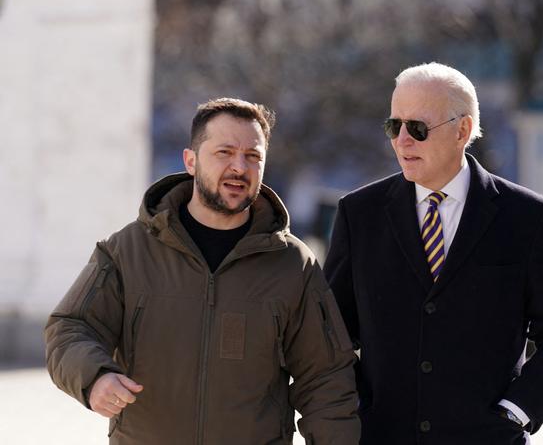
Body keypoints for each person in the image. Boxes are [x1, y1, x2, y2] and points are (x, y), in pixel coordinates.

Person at [45, 98, 360, 445]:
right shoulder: (128, 250)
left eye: (253, 156)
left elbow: (327, 378)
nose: (239, 167)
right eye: (224, 152)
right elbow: (70, 328)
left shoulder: (292, 265)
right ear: (191, 161)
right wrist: (95, 376)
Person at [324, 62, 543, 444]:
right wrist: (358, 411)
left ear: (462, 130)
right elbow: (332, 338)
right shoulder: (358, 214)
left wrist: (516, 413)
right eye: (393, 126)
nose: (402, 141)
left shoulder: (526, 217)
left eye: (417, 128)